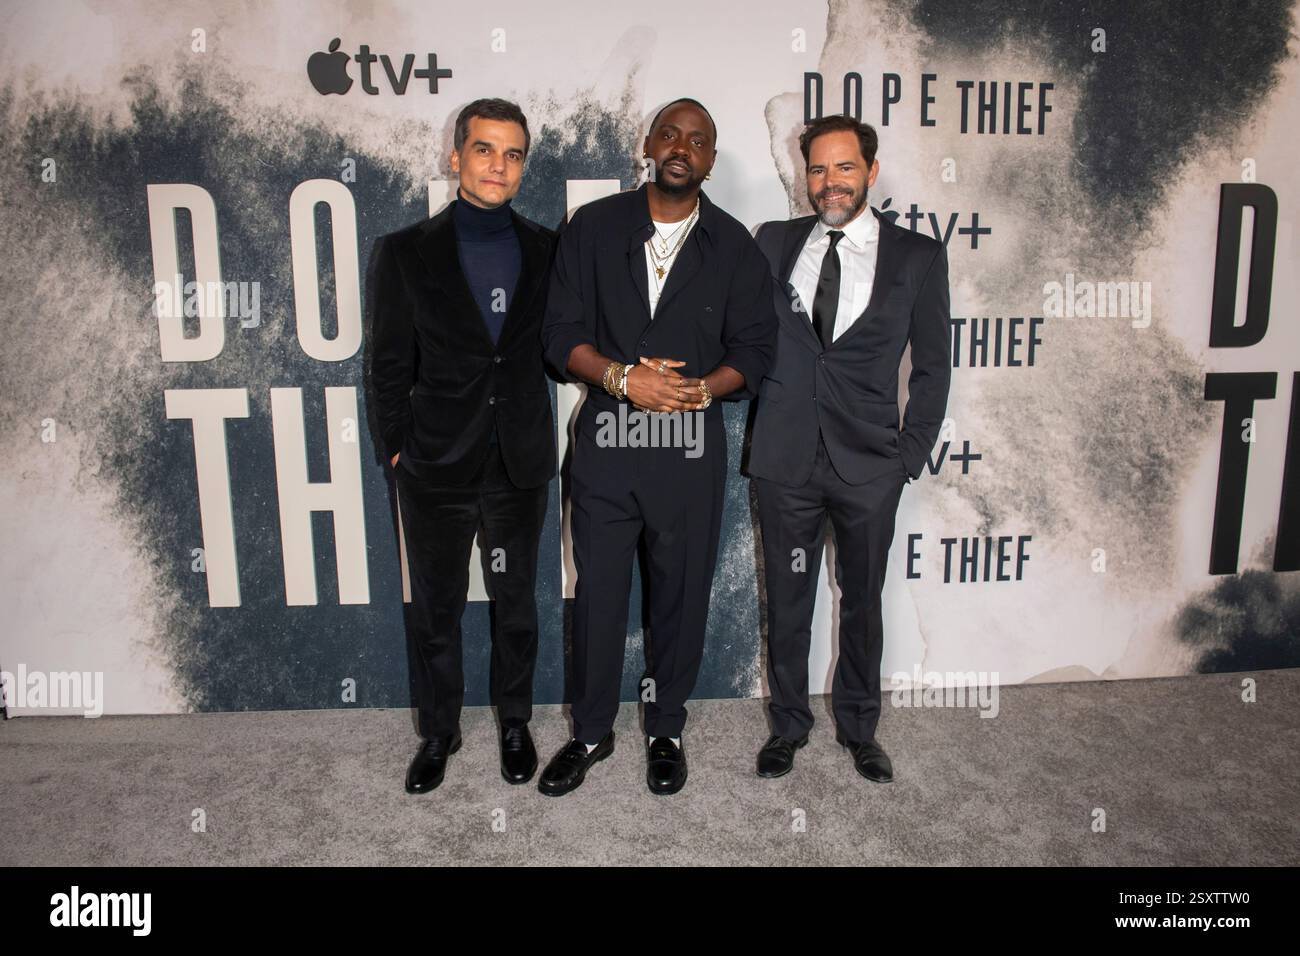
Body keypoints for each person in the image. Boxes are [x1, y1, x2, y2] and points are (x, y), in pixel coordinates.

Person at [538, 98, 777, 796]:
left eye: (699, 140)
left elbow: (756, 350)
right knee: (599, 596)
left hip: (688, 452)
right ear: (649, 143)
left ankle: (666, 728)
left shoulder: (734, 245)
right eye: (670, 133)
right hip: (607, 446)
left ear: (709, 158)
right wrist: (620, 377)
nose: (682, 147)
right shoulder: (594, 226)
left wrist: (699, 391)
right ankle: (589, 732)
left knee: (679, 596)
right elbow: (558, 335)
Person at [745, 114, 951, 783]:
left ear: (871, 170)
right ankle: (788, 727)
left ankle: (860, 727)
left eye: (844, 167)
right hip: (785, 460)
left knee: (862, 601)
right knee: (788, 597)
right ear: (804, 175)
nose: (830, 182)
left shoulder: (917, 256)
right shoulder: (773, 242)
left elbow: (932, 367)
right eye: (817, 169)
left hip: (869, 467)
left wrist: (907, 455)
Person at [366, 98, 557, 793]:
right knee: (437, 608)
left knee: (518, 605)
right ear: (457, 157)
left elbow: (560, 351)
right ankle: (439, 732)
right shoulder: (405, 251)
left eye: (511, 154)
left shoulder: (547, 248)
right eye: (484, 149)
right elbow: (387, 365)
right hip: (435, 467)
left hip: (519, 463)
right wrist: (397, 451)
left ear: (522, 166)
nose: (497, 165)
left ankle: (514, 721)